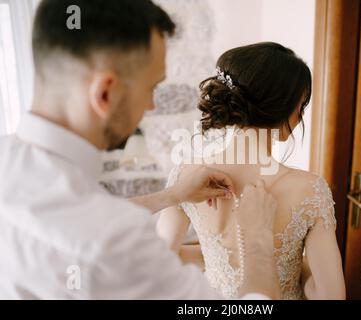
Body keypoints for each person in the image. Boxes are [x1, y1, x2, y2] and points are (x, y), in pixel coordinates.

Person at [0, 0, 280, 299]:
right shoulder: (117, 242)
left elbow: (60, 216)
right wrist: (258, 242)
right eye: (151, 88)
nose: (152, 105)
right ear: (105, 93)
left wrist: (171, 196)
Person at [157, 43, 346, 300]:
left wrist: (214, 257)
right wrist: (295, 270)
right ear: (285, 107)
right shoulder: (310, 190)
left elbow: (160, 261)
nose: (300, 117)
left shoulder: (185, 176)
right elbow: (330, 296)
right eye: (301, 106)